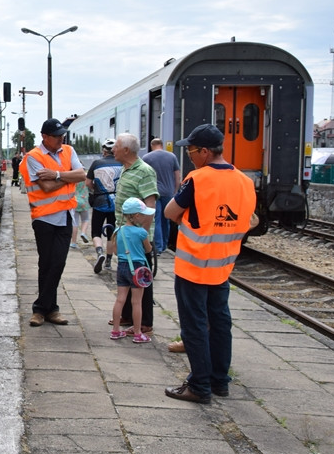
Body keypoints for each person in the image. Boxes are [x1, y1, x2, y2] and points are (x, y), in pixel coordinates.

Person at [164, 124, 258, 403]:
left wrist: (190, 218)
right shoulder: (244, 181)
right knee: (220, 324)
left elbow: (171, 212)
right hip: (223, 267)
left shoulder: (197, 179)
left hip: (193, 266)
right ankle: (220, 382)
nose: (190, 156)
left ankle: (199, 386)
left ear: (205, 151)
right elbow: (249, 221)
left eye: (192, 150)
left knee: (194, 326)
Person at [19, 118, 87, 327]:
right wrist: (68, 177)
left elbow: (82, 174)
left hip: (65, 216)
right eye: (57, 135)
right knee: (46, 263)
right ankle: (50, 310)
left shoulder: (68, 150)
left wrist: (57, 174)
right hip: (44, 217)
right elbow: (46, 187)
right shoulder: (33, 157)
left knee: (58, 262)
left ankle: (41, 308)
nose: (61, 138)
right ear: (44, 137)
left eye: (62, 135)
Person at [112, 133, 158, 335]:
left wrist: (142, 236)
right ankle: (129, 316)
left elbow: (150, 204)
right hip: (126, 236)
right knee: (128, 277)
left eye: (115, 146)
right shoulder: (126, 168)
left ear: (126, 150)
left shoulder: (145, 171)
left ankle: (145, 322)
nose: (112, 149)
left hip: (137, 239)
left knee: (141, 278)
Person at [110, 198, 155, 343]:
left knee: (120, 299)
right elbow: (148, 249)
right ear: (136, 216)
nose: (145, 217)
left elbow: (115, 251)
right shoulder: (141, 232)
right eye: (143, 214)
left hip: (122, 267)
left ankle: (116, 330)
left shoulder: (118, 231)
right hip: (138, 269)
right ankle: (137, 333)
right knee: (137, 302)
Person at [86, 138, 121, 273]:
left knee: (96, 231)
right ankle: (108, 261)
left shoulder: (96, 163)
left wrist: (96, 189)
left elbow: (88, 183)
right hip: (116, 202)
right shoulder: (122, 164)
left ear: (104, 151)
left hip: (100, 201)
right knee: (112, 233)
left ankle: (99, 252)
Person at [142, 138, 182, 254]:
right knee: (167, 219)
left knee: (156, 219)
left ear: (151, 145)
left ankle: (158, 248)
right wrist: (174, 190)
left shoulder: (147, 158)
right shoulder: (172, 157)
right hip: (168, 192)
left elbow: (144, 176)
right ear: (162, 145)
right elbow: (177, 176)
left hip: (153, 192)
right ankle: (164, 245)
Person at [71, 179, 91, 248]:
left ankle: (73, 242)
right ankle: (83, 232)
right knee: (85, 220)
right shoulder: (85, 177)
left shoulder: (73, 178)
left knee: (74, 222)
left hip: (74, 200)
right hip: (84, 201)